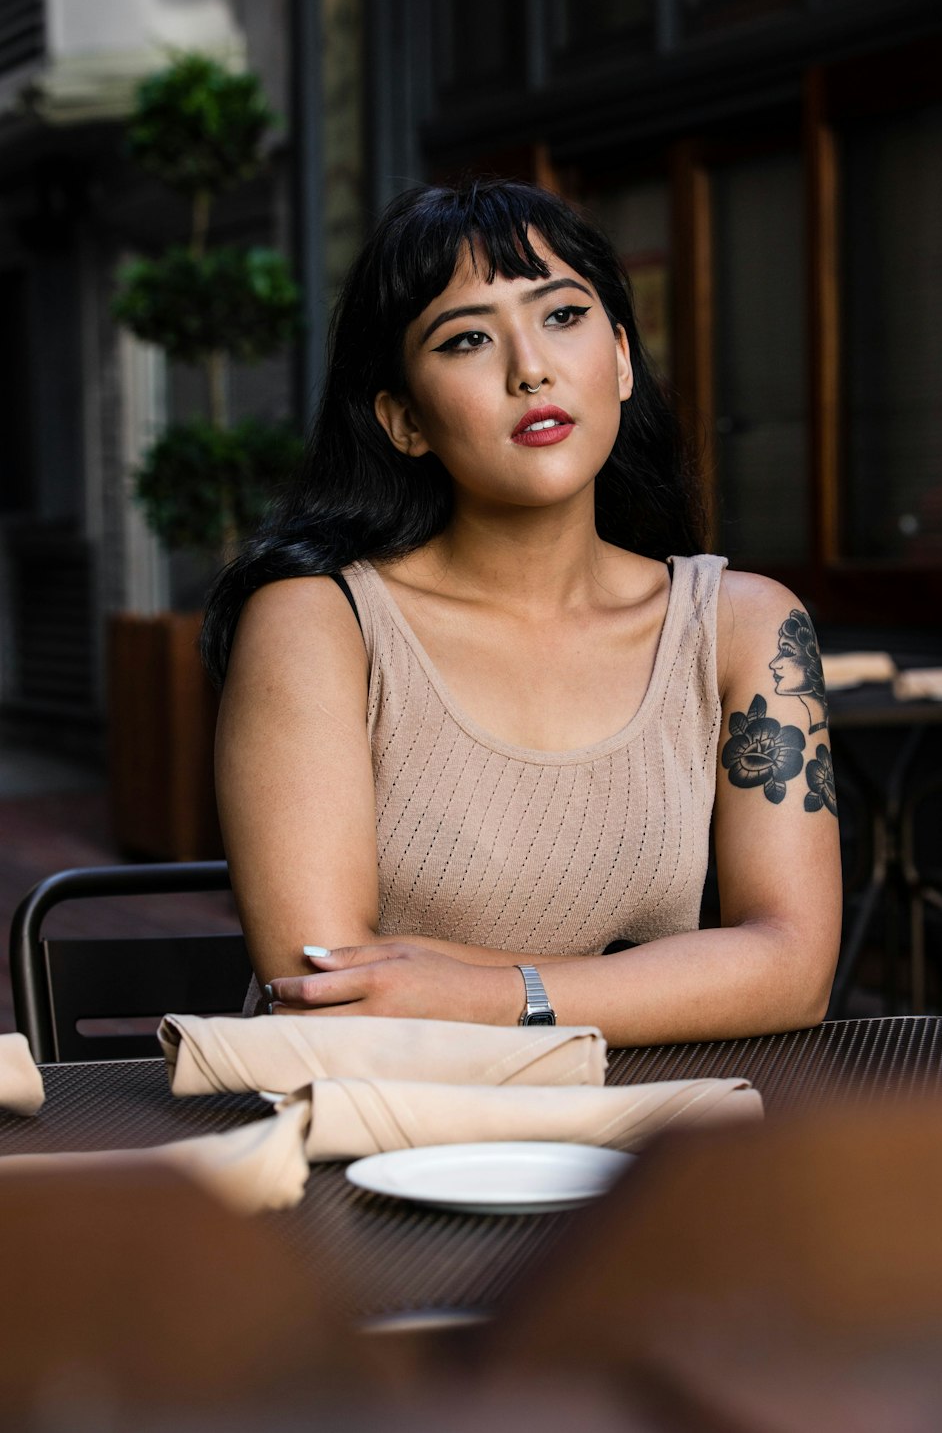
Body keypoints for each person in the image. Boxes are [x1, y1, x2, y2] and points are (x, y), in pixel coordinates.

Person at [202, 179, 841, 1047]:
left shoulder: (743, 625)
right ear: (403, 421)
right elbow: (327, 983)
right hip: (384, 1134)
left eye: (562, 316)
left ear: (620, 359)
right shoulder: (319, 621)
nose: (529, 367)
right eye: (467, 338)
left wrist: (489, 992)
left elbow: (795, 970)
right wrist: (669, 977)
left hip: (654, 1139)